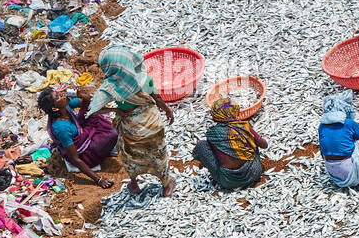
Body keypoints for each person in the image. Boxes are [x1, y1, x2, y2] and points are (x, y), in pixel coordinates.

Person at [96, 45, 175, 197]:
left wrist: (116, 110)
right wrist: (168, 110)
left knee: (130, 155)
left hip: (130, 127)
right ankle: (166, 186)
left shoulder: (108, 87)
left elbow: (94, 109)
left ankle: (134, 183)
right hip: (151, 124)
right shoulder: (144, 79)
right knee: (158, 153)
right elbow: (157, 98)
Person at [37, 86, 116, 188]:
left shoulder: (65, 106)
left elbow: (91, 101)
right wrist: (98, 179)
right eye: (57, 96)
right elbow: (75, 159)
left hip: (82, 133)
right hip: (85, 155)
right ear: (54, 108)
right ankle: (100, 152)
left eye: (58, 92)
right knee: (112, 135)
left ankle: (100, 146)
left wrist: (80, 94)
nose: (61, 94)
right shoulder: (61, 128)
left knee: (90, 109)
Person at [192, 99, 268, 190]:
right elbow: (264, 145)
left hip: (228, 181)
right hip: (254, 172)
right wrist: (251, 138)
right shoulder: (244, 127)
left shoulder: (212, 134)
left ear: (215, 116)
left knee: (201, 145)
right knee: (250, 139)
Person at [319, 91, 359, 188]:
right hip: (353, 173)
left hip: (334, 176)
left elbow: (323, 151)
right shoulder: (348, 123)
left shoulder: (321, 126)